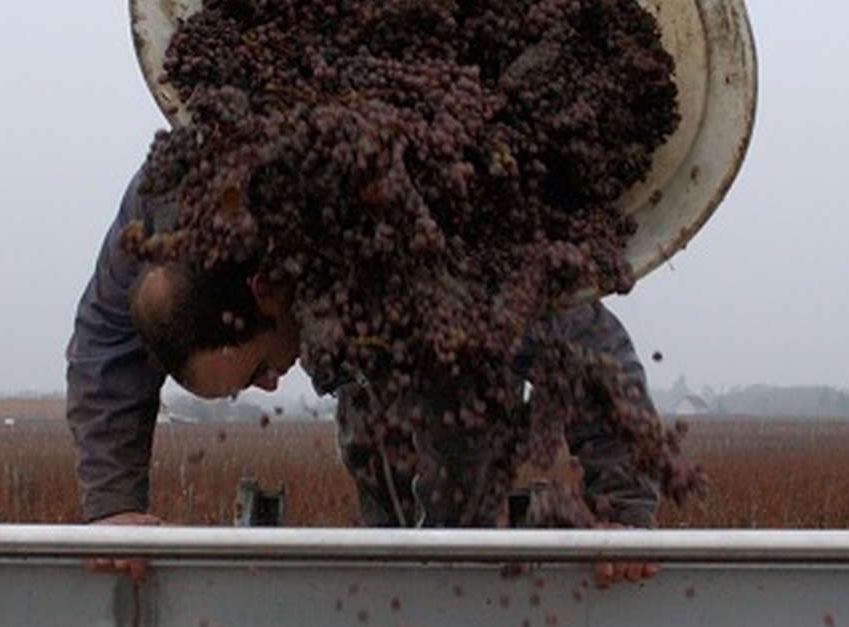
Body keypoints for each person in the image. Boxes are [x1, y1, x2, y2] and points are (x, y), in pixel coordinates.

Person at [66, 169, 665, 587]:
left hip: (433, 304)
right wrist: (113, 509)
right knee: (386, 489)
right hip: (357, 327)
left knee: (458, 530)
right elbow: (104, 345)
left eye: (260, 369)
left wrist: (622, 510)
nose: (274, 386)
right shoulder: (161, 209)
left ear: (266, 291)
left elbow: (582, 342)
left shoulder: (421, 238)